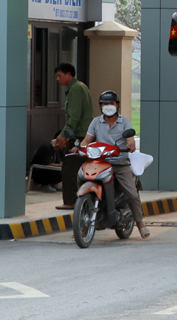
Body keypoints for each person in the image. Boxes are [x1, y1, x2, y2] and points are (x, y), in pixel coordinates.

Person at [79, 90, 150, 239]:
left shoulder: (124, 122)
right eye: (105, 103)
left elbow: (130, 139)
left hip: (119, 163)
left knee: (131, 193)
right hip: (100, 163)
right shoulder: (96, 122)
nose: (108, 106)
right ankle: (81, 222)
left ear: (117, 105)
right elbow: (87, 140)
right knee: (80, 177)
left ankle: (140, 224)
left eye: (111, 103)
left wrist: (130, 145)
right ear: (100, 106)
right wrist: (80, 146)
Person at [55, 63, 93, 209]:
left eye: (59, 76)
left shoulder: (76, 89)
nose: (57, 79)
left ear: (69, 74)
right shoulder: (80, 87)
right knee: (82, 170)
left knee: (69, 169)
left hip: (79, 136)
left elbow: (74, 117)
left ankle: (70, 201)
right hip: (84, 135)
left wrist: (64, 135)